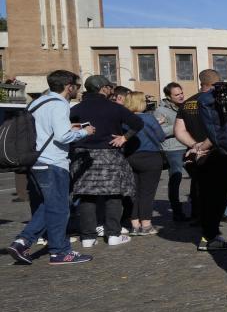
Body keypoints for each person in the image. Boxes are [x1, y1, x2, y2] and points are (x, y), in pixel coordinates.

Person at [6, 70, 95, 265]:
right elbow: (62, 137)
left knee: (49, 206)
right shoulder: (59, 105)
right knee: (59, 208)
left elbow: (44, 130)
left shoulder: (38, 102)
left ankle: (28, 243)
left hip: (35, 160)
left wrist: (70, 128)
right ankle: (56, 250)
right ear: (68, 86)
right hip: (52, 162)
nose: (78, 90)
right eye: (77, 86)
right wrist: (84, 132)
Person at [70, 75, 142, 247]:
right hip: (109, 155)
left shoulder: (76, 108)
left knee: (86, 196)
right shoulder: (114, 108)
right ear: (103, 88)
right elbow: (138, 123)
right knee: (113, 195)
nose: (111, 90)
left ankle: (88, 237)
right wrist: (124, 137)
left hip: (83, 155)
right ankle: (113, 235)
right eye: (109, 87)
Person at [174, 69, 227, 252]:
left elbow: (179, 131)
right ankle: (210, 235)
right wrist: (204, 146)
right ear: (216, 82)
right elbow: (223, 129)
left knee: (203, 193)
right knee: (219, 197)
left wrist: (194, 146)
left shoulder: (188, 103)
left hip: (195, 158)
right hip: (219, 154)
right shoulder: (220, 101)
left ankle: (208, 232)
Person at [120, 91, 166, 235]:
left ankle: (134, 224)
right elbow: (161, 137)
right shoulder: (149, 118)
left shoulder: (123, 119)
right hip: (150, 156)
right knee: (147, 192)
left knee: (133, 192)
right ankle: (146, 225)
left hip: (130, 156)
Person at [154, 83, 189, 220]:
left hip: (187, 146)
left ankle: (196, 209)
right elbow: (159, 132)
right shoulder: (160, 111)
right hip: (172, 149)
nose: (181, 96)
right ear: (169, 97)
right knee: (176, 178)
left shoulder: (185, 107)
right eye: (176, 95)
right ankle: (177, 212)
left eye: (181, 93)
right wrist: (178, 127)